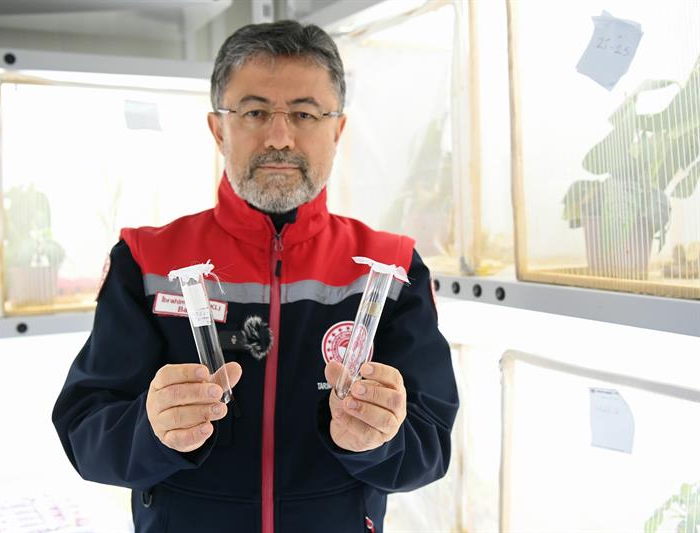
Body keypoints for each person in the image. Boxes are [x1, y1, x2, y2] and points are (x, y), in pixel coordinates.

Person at [52, 20, 458, 533]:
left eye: (305, 113)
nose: (279, 138)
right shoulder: (147, 261)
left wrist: (378, 441)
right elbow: (86, 430)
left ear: (337, 130)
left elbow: (431, 442)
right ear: (218, 129)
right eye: (254, 112)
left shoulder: (393, 268)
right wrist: (151, 431)